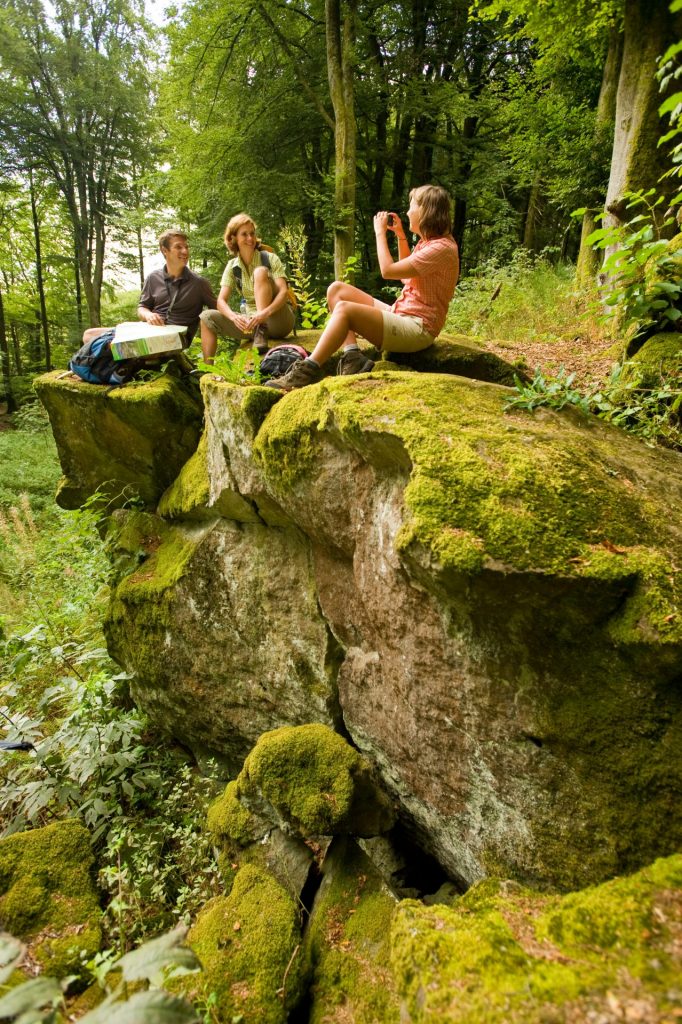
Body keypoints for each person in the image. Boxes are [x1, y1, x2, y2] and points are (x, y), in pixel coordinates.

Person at [266, 185, 459, 392]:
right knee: (336, 290)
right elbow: (405, 278)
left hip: (418, 328)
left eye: (412, 206)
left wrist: (379, 234)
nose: (408, 212)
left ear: (425, 211)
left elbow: (387, 270)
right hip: (402, 314)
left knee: (344, 310)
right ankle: (353, 357)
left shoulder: (441, 249)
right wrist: (401, 236)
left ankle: (305, 371)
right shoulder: (429, 243)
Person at [199, 214, 294, 364]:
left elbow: (283, 292)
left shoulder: (269, 258)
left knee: (260, 272)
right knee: (206, 317)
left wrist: (264, 314)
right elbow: (221, 301)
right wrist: (234, 317)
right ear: (233, 238)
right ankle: (207, 370)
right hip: (250, 323)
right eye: (244, 234)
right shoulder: (232, 267)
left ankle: (261, 329)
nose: (250, 238)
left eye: (252, 233)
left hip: (277, 319)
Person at [138, 229, 217, 344]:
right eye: (178, 247)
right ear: (165, 250)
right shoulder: (152, 278)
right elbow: (142, 307)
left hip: (178, 339)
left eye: (186, 247)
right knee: (105, 336)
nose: (185, 251)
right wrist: (149, 315)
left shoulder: (199, 283)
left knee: (113, 348)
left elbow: (218, 312)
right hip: (151, 332)